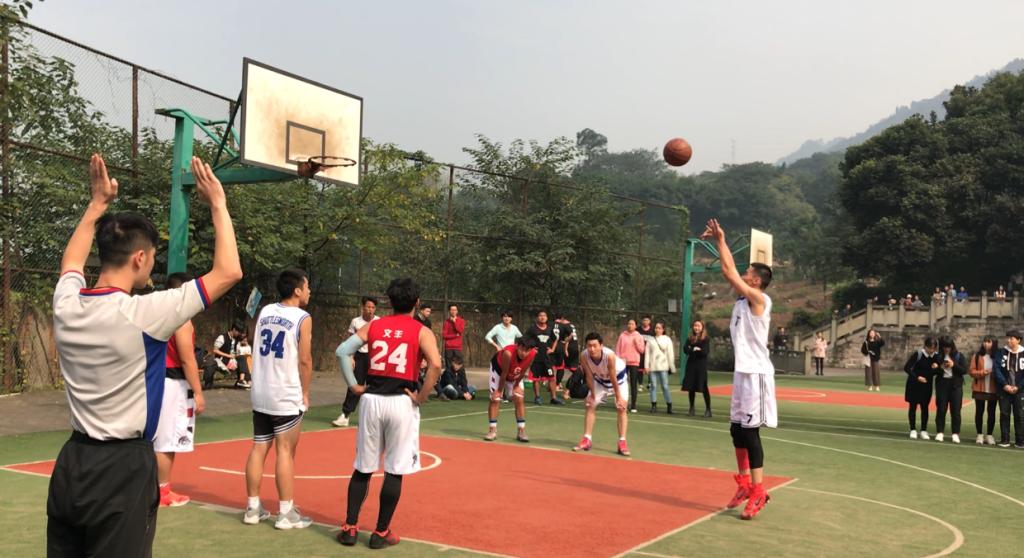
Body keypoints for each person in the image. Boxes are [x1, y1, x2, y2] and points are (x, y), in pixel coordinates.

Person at [48, 155, 241, 556]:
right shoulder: (145, 313)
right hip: (123, 467)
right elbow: (228, 272)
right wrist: (218, 204)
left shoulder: (66, 302)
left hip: (71, 463)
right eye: (151, 255)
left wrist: (96, 205)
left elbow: (71, 263)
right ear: (139, 257)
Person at [335, 277, 442, 549]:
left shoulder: (374, 325)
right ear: (417, 302)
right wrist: (421, 397)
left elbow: (342, 351)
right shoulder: (421, 331)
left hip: (371, 400)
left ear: (389, 301)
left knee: (363, 467)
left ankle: (349, 528)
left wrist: (354, 385)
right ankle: (381, 532)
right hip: (401, 402)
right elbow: (435, 365)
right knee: (395, 468)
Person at [702, 219, 776, 521]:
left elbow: (728, 271)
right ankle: (744, 483)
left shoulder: (760, 300)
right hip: (742, 372)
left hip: (757, 374)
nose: (743, 276)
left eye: (748, 274)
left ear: (756, 281)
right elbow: (731, 270)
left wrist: (721, 240)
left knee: (750, 432)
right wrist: (721, 241)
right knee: (736, 430)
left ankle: (759, 491)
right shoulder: (743, 300)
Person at [243, 268, 314, 530]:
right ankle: (285, 513)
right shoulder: (302, 317)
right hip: (284, 393)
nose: (309, 291)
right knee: (285, 451)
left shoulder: (265, 311)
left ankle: (252, 508)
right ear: (297, 290)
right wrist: (305, 392)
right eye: (307, 286)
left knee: (259, 447)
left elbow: (254, 342)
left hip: (260, 390)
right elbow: (305, 360)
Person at [153, 272, 206, 508]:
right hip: (172, 383)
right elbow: (187, 358)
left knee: (155, 438)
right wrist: (198, 392)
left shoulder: (155, 313)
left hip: (153, 380)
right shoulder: (181, 319)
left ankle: (154, 487)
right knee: (167, 441)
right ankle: (162, 491)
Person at [572, 332, 631, 456]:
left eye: (595, 345)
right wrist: (592, 395)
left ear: (601, 346)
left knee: (621, 408)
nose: (592, 349)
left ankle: (622, 442)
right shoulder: (584, 356)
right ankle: (587, 439)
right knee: (590, 405)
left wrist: (618, 397)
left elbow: (613, 377)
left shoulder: (609, 356)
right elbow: (588, 375)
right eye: (589, 346)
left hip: (618, 381)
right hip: (600, 380)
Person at [332, 296, 380, 427]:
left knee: (374, 385)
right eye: (368, 307)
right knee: (355, 384)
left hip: (374, 357)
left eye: (373, 307)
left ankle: (373, 418)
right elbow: (350, 341)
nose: (370, 309)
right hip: (359, 356)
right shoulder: (355, 322)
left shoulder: (379, 322)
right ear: (363, 307)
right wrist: (351, 357)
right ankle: (345, 415)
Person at [484, 337, 537, 442]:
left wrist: (516, 386)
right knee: (495, 399)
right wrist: (499, 391)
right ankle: (492, 430)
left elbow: (523, 371)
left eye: (527, 351)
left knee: (519, 398)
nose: (524, 353)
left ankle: (521, 431)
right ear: (517, 346)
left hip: (516, 371)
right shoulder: (508, 353)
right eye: (522, 349)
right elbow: (504, 374)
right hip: (498, 370)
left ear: (531, 350)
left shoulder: (533, 353)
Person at [903, 337, 939, 440]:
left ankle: (923, 430)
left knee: (925, 407)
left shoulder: (936, 356)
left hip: (926, 385)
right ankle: (913, 429)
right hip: (914, 384)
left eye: (933, 348)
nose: (931, 350)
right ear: (925, 346)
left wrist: (937, 367)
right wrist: (917, 377)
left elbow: (937, 372)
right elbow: (907, 368)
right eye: (930, 348)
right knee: (913, 406)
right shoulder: (918, 354)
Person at [933, 336, 967, 443]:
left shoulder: (958, 356)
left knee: (956, 411)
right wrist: (939, 367)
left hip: (956, 386)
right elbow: (933, 372)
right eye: (944, 347)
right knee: (941, 409)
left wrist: (953, 365)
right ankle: (940, 432)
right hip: (942, 385)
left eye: (948, 347)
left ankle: (955, 433)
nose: (946, 349)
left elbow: (964, 370)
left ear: (952, 346)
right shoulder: (938, 356)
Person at [525, 310, 563, 405]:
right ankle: (537, 397)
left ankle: (553, 398)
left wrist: (552, 349)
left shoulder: (550, 329)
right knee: (536, 379)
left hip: (547, 358)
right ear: (537, 318)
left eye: (544, 315)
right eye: (540, 315)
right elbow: (524, 339)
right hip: (536, 358)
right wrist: (531, 348)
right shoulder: (532, 329)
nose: (542, 317)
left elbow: (555, 339)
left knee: (552, 378)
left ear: (547, 318)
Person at [994, 330, 1024, 448]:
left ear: (1018, 340)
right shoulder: (1001, 352)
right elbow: (997, 369)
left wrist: (1019, 386)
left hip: (1020, 391)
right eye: (1008, 338)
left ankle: (1020, 441)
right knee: (1004, 414)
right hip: (1004, 390)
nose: (1008, 340)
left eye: (1011, 338)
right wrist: (1005, 385)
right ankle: (1005, 439)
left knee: (1019, 415)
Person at [969, 336, 999, 445]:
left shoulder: (997, 357)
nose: (986, 344)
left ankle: (989, 435)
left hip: (993, 389)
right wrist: (983, 372)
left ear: (994, 343)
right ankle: (979, 434)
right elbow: (971, 372)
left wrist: (994, 373)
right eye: (985, 342)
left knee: (991, 412)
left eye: (989, 342)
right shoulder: (977, 356)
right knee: (979, 411)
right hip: (979, 388)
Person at [615, 318, 646, 413]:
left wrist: (636, 343)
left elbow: (642, 350)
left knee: (633, 384)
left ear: (635, 326)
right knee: (621, 383)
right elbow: (618, 349)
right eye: (629, 323)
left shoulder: (638, 336)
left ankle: (633, 405)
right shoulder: (622, 335)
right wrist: (618, 360)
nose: (630, 325)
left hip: (634, 363)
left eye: (632, 324)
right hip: (623, 363)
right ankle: (621, 403)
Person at [682, 319, 712, 417]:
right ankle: (691, 408)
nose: (696, 328)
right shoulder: (690, 338)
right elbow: (685, 349)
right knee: (691, 387)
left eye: (698, 326)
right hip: (691, 365)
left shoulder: (706, 339)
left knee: (704, 387)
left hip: (701, 366)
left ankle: (708, 409)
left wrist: (693, 349)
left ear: (702, 327)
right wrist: (694, 349)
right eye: (695, 325)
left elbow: (704, 352)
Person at [645, 321, 675, 413]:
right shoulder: (651, 340)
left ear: (663, 329)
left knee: (665, 386)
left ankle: (669, 405)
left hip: (663, 367)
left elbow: (670, 354)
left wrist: (672, 367)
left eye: (659, 328)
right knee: (653, 386)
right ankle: (653, 405)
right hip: (653, 367)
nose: (657, 330)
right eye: (656, 328)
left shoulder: (667, 339)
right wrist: (646, 366)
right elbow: (647, 354)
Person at [213, 321, 249, 389]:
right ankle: (245, 381)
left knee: (242, 358)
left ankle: (241, 380)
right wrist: (228, 355)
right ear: (234, 329)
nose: (239, 334)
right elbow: (215, 350)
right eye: (238, 332)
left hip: (232, 359)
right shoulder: (222, 337)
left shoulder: (236, 339)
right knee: (239, 362)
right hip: (222, 359)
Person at [441, 303, 466, 369]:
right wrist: (455, 335)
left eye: (455, 310)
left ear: (457, 311)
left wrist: (455, 322)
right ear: (449, 311)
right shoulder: (446, 322)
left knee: (460, 367)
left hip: (458, 348)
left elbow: (460, 331)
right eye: (452, 310)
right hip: (448, 348)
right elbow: (444, 336)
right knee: (449, 368)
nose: (453, 311)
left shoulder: (461, 321)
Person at [638, 315, 655, 391]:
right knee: (640, 369)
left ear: (649, 321)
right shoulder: (638, 330)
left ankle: (649, 383)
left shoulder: (653, 331)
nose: (645, 322)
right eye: (644, 320)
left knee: (649, 368)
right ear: (642, 321)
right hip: (640, 352)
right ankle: (640, 385)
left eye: (647, 320)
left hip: (649, 353)